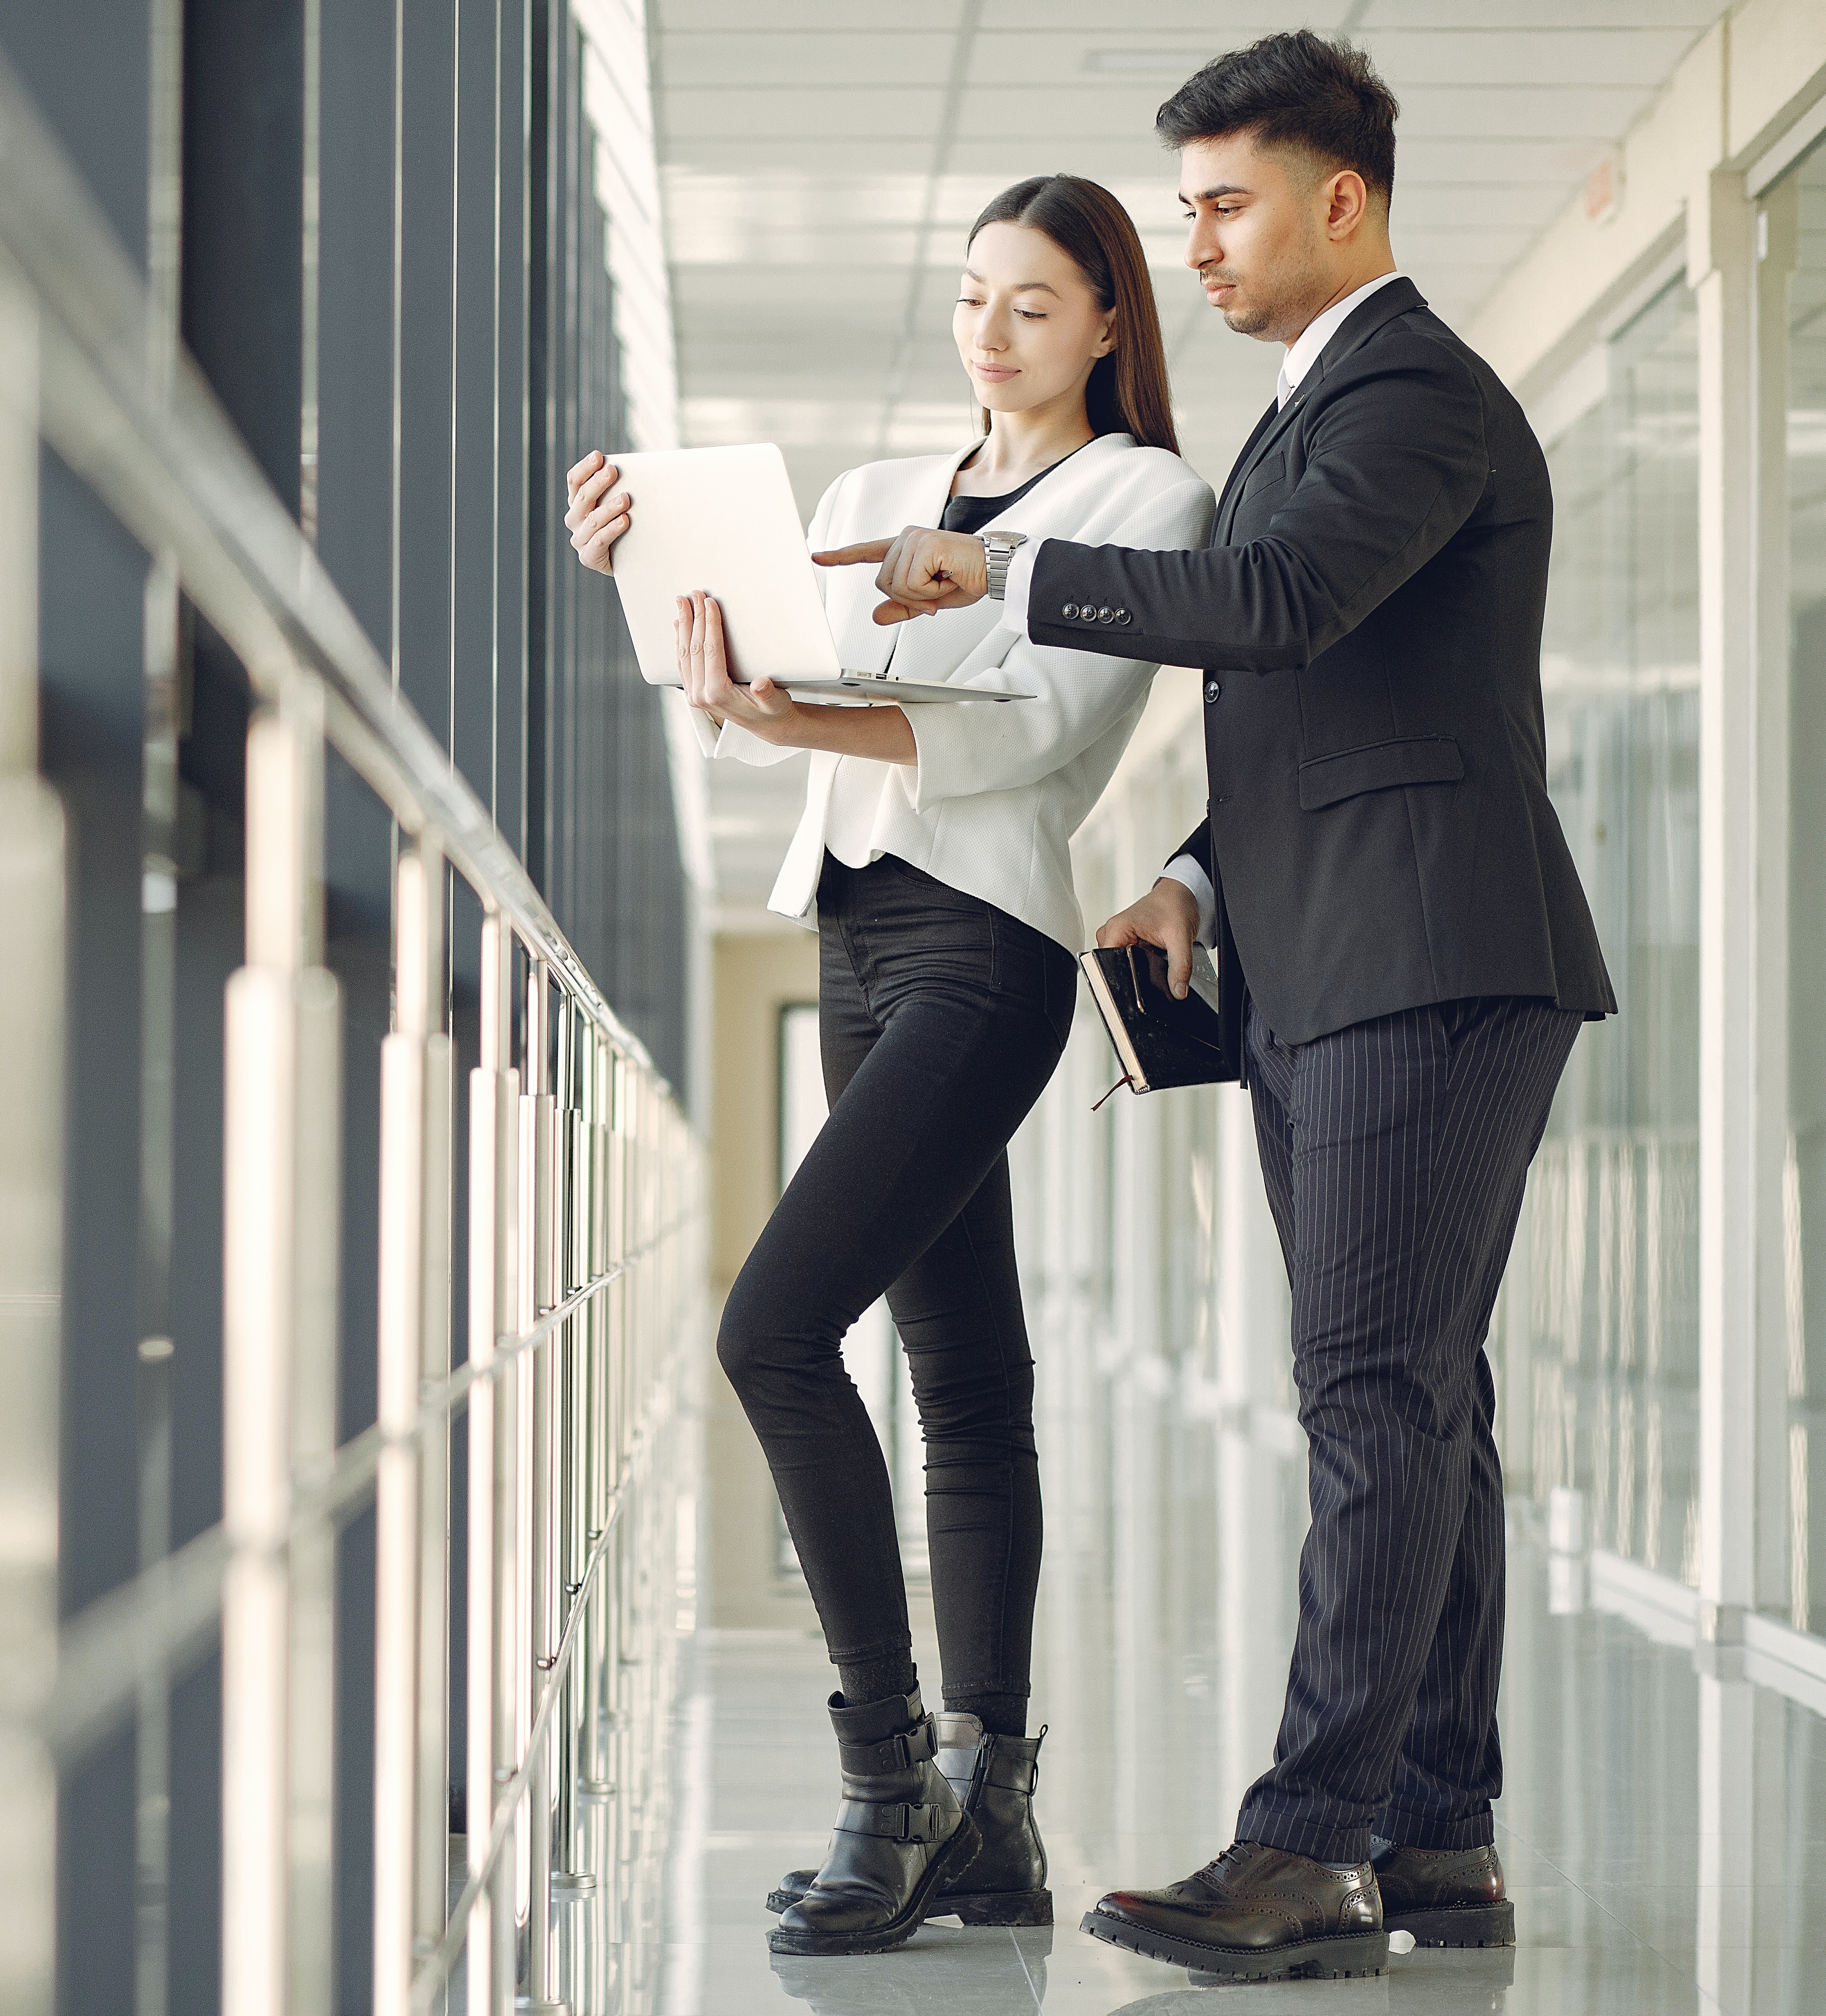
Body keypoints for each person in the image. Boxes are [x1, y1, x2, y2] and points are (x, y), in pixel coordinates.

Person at [828, 33, 1615, 1985]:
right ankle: (1434, 1831)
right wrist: (1194, 870)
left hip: (1426, 961)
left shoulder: (1415, 389)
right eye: (1179, 207)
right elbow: (1323, 692)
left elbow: (1268, 610)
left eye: (1224, 202)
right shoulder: (1319, 408)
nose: (1194, 240)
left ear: (1340, 200)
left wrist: (1001, 564)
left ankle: (1311, 1847)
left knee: (1376, 1389)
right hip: (1349, 948)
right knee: (1423, 1393)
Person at [564, 172, 1213, 1957]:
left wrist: (801, 710)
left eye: (1031, 303)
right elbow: (763, 681)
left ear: (1105, 324)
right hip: (854, 936)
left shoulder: (1144, 497)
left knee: (769, 1327)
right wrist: (649, 580)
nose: (991, 333)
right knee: (965, 1372)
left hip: (987, 948)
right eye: (971, 297)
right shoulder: (864, 498)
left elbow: (1038, 735)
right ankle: (992, 1818)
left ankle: (886, 1777)